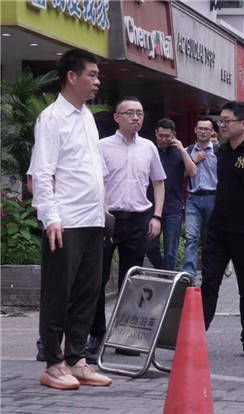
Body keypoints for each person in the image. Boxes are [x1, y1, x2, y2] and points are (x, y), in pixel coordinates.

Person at [30, 49, 112, 389]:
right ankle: (54, 363)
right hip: (65, 221)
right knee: (58, 294)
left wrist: (104, 209)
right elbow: (42, 172)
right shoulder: (51, 118)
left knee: (88, 292)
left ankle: (77, 359)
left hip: (92, 218)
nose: (97, 81)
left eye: (97, 75)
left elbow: (95, 168)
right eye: (91, 75)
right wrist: (51, 218)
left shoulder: (87, 116)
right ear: (71, 77)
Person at [86, 96, 166, 360]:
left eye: (139, 113)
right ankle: (96, 334)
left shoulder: (149, 147)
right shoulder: (102, 147)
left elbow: (158, 182)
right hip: (107, 220)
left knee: (132, 281)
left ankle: (125, 337)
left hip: (138, 219)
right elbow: (96, 182)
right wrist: (103, 212)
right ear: (116, 118)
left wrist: (157, 216)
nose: (135, 117)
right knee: (97, 279)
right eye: (129, 113)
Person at [200, 101, 244, 358]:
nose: (222, 125)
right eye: (221, 120)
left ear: (243, 124)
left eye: (226, 121)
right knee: (209, 283)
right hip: (217, 229)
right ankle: (197, 335)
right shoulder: (220, 151)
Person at [146, 118, 197, 270]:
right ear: (156, 133)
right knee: (149, 245)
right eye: (161, 135)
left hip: (173, 208)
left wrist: (182, 149)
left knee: (170, 252)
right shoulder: (150, 150)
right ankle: (163, 272)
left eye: (167, 136)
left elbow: (193, 172)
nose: (163, 139)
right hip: (151, 206)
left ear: (174, 134)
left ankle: (168, 280)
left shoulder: (179, 152)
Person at [183, 117, 219, 278]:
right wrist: (194, 160)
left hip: (213, 198)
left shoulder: (219, 152)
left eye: (206, 129)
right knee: (191, 237)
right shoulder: (188, 151)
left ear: (212, 132)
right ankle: (189, 274)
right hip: (193, 198)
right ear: (195, 130)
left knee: (211, 238)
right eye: (200, 128)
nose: (203, 132)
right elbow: (182, 174)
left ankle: (210, 272)